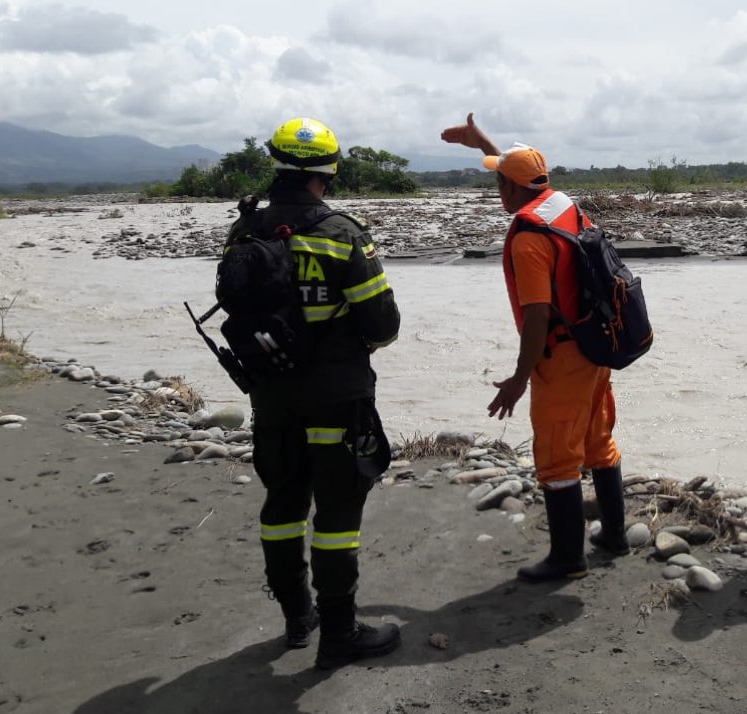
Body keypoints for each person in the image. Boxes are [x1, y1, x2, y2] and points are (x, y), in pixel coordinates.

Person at [235, 117, 402, 669]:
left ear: (276, 164)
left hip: (271, 396)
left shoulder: (247, 232)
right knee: (336, 516)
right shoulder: (343, 234)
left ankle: (295, 618)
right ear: (329, 170)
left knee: (282, 503)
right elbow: (383, 325)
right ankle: (339, 633)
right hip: (337, 396)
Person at [440, 113, 627, 582]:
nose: (497, 192)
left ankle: (568, 557)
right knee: (598, 440)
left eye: (499, 183)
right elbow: (518, 171)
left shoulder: (527, 237)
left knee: (557, 455)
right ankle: (615, 535)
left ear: (510, 189)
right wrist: (486, 144)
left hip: (560, 355)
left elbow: (538, 315)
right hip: (594, 345)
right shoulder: (561, 203)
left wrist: (519, 379)